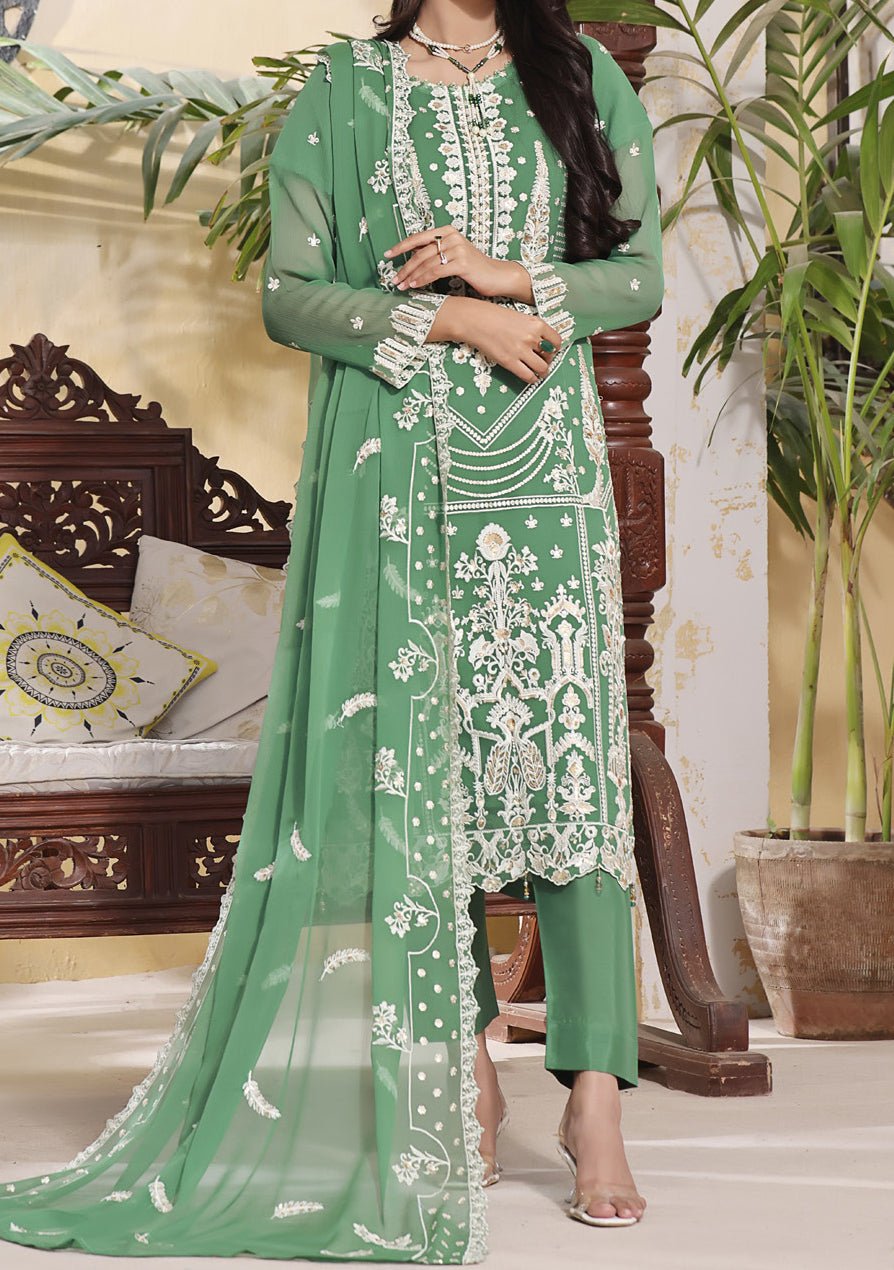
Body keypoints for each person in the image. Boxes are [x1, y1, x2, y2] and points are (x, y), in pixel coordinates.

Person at [0, 0, 661, 1258]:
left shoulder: (577, 75)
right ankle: (464, 1067)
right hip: (403, 481)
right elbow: (293, 297)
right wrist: (449, 317)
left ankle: (594, 1099)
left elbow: (642, 274)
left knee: (570, 777)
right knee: (428, 779)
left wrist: (508, 277)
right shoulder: (349, 89)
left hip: (549, 483)